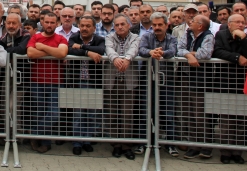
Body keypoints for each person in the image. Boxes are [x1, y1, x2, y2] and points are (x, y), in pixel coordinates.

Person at [212, 14, 247, 164]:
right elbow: (217, 51)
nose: (241, 25)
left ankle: (237, 152)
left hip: (243, 82)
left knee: (241, 119)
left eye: (243, 22)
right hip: (224, 82)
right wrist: (236, 57)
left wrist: (243, 38)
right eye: (237, 22)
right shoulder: (220, 35)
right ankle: (225, 152)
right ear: (229, 24)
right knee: (226, 119)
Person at [26, 13, 68, 153]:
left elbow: (62, 54)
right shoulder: (36, 37)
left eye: (52, 22)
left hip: (56, 82)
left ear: (57, 24)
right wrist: (52, 53)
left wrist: (42, 47)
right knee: (40, 112)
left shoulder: (60, 38)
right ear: (42, 23)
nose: (49, 25)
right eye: (47, 22)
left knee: (54, 113)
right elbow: (31, 53)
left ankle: (34, 134)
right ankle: (45, 142)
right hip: (37, 81)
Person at [138, 12, 178, 157]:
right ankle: (144, 143)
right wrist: (151, 52)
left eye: (160, 24)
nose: (157, 27)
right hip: (147, 81)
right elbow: (141, 50)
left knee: (168, 112)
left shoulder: (172, 37)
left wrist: (160, 53)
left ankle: (170, 144)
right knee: (145, 112)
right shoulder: (146, 36)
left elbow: (173, 50)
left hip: (166, 81)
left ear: (166, 25)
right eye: (154, 25)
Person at [67, 15, 106, 155]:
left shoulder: (99, 39)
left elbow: (101, 50)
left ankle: (87, 140)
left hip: (93, 82)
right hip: (76, 82)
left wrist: (83, 47)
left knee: (91, 113)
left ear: (94, 28)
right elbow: (70, 49)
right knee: (78, 114)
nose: (84, 28)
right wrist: (88, 52)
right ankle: (77, 142)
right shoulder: (74, 37)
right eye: (82, 25)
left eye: (88, 26)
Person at [178, 15, 214, 160]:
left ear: (200, 26)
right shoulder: (187, 34)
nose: (190, 22)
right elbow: (178, 49)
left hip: (201, 80)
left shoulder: (208, 36)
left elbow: (206, 53)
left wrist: (191, 54)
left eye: (193, 21)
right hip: (186, 79)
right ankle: (194, 145)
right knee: (189, 113)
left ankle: (205, 146)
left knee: (200, 115)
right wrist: (189, 55)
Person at [105, 14, 140, 159]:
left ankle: (126, 145)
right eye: (117, 25)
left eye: (122, 24)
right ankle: (116, 145)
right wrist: (116, 59)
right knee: (112, 114)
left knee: (127, 115)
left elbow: (134, 48)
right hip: (112, 82)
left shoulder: (136, 37)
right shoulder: (109, 37)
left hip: (128, 82)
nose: (119, 27)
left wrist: (127, 59)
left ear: (128, 25)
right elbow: (109, 49)